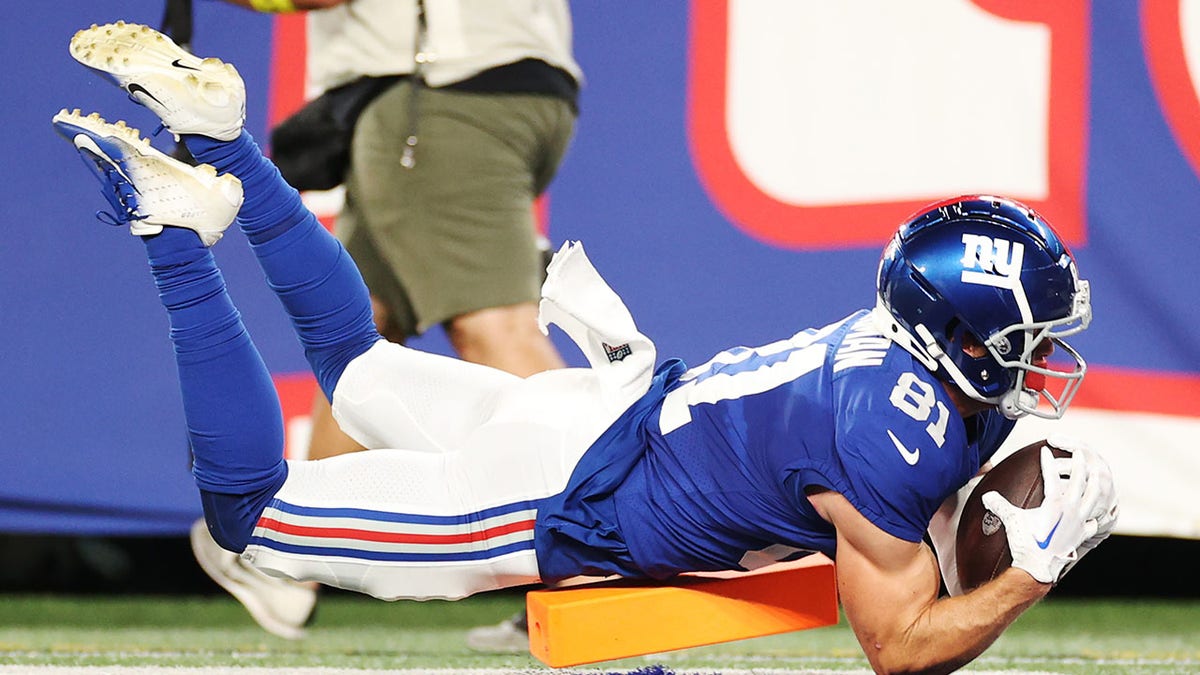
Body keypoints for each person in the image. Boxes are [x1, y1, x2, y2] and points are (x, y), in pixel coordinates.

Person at [56, 23, 1118, 674]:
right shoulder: (895, 431)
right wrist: (1029, 567)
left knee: (357, 368)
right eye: (1024, 342)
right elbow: (898, 649)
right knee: (251, 517)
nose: (1039, 366)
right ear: (960, 334)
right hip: (564, 491)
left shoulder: (892, 355)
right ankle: (177, 236)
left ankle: (228, 137)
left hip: (590, 412)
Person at [197, 0, 583, 645]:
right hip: (496, 80)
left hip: (440, 91)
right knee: (360, 337)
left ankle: (603, 567)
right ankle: (289, 561)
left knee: (494, 329)